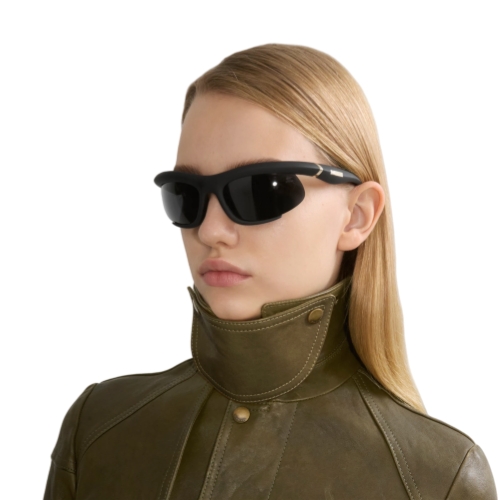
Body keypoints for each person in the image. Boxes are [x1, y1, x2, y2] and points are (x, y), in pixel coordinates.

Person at [43, 44, 497, 499]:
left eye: (259, 191)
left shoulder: (437, 478)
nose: (210, 230)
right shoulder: (99, 430)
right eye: (187, 194)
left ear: (356, 216)